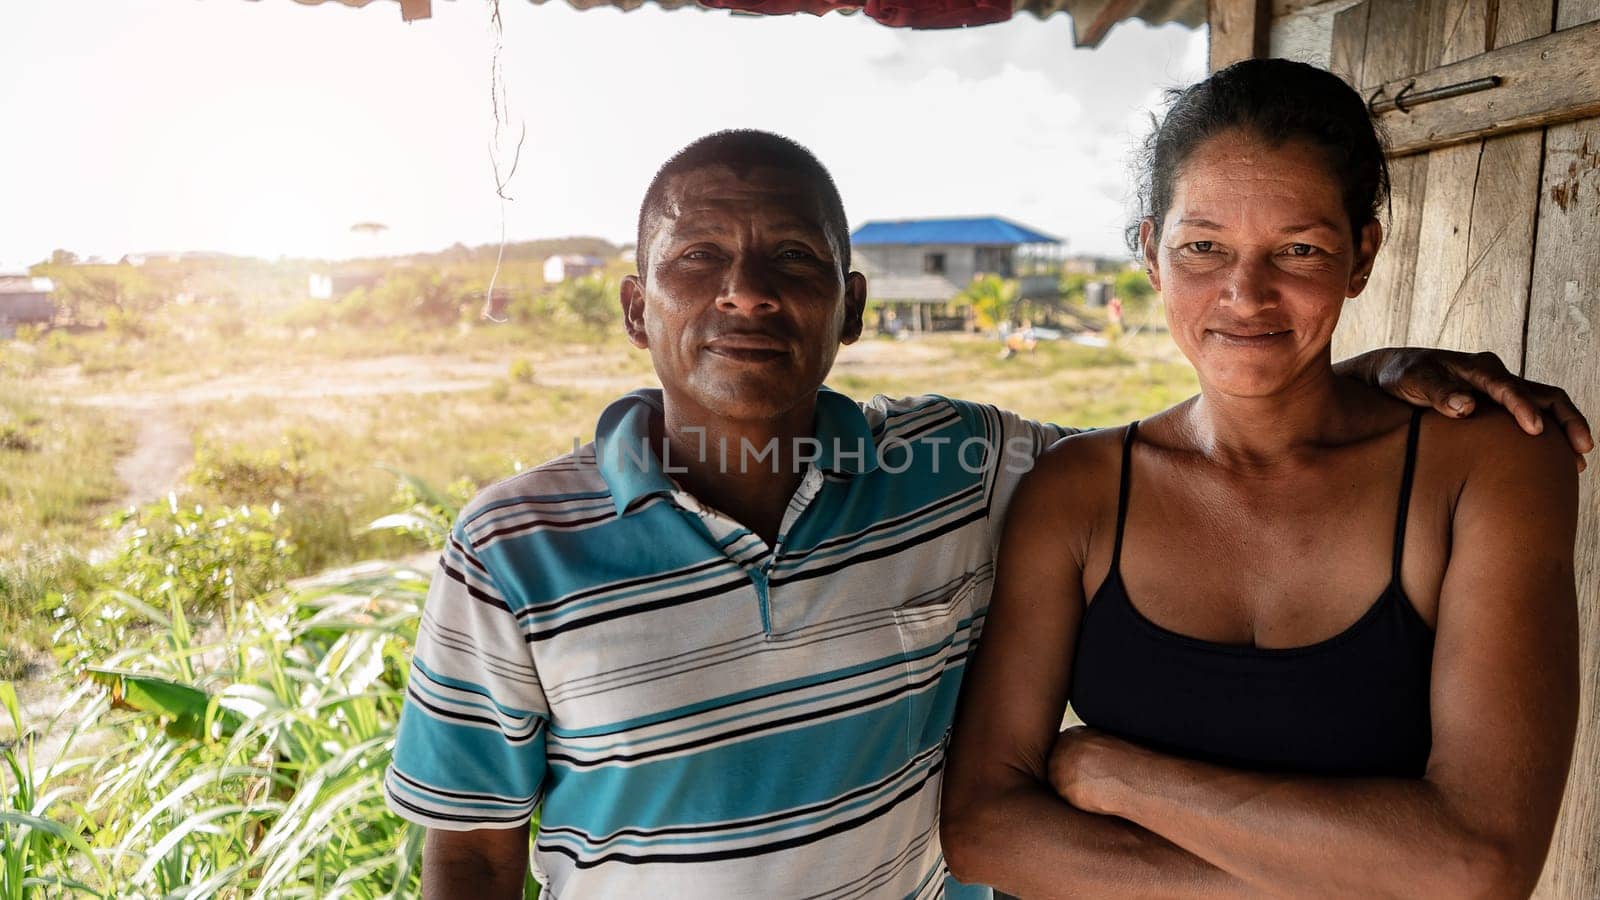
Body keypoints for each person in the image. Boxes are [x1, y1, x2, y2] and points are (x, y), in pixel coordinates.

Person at [384, 129, 1592, 899]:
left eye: (795, 263)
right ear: (637, 309)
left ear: (851, 308)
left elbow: (1221, 450)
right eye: (695, 259)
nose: (746, 291)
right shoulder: (509, 553)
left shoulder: (959, 467)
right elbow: (474, 857)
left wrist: (1371, 376)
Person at [940, 60, 1582, 899]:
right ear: (1149, 253)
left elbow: (1480, 866)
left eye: (1300, 249)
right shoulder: (1080, 490)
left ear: (1362, 253)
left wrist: (1114, 775)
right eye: (1203, 246)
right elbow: (984, 829)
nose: (1245, 293)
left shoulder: (1488, 464)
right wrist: (1354, 880)